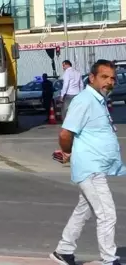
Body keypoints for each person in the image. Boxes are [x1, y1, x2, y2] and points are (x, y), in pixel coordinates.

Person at [50, 60, 122, 265]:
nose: (109, 82)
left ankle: (63, 251)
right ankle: (109, 259)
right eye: (104, 77)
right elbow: (66, 132)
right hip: (89, 169)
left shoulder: (98, 99)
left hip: (94, 166)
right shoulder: (84, 100)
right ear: (92, 78)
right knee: (107, 214)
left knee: (84, 209)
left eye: (112, 78)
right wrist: (66, 152)